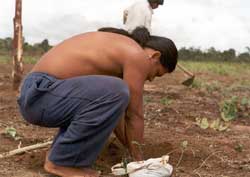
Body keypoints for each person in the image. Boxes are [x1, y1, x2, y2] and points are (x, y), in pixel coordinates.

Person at [17, 27, 177, 177]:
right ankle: (62, 162)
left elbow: (116, 116)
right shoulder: (137, 55)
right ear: (155, 56)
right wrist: (140, 162)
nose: (150, 78)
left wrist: (131, 152)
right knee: (117, 89)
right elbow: (134, 114)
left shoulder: (119, 53)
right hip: (42, 93)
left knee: (116, 91)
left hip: (40, 95)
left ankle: (61, 155)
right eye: (156, 73)